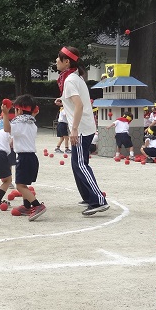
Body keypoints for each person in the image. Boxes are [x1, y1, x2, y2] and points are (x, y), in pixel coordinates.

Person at [55, 46, 109, 216]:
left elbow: (79, 105)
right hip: (85, 127)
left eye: (58, 58)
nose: (56, 61)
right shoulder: (75, 77)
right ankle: (88, 197)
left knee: (80, 164)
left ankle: (98, 200)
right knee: (78, 163)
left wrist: (74, 129)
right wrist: (63, 100)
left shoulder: (70, 80)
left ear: (66, 62)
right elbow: (78, 101)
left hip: (80, 129)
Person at [1, 95, 46, 220]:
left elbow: (7, 128)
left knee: (20, 186)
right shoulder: (32, 124)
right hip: (32, 158)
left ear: (19, 110)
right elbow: (27, 122)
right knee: (24, 183)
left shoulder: (19, 123)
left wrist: (5, 114)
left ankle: (37, 205)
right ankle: (27, 206)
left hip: (23, 157)